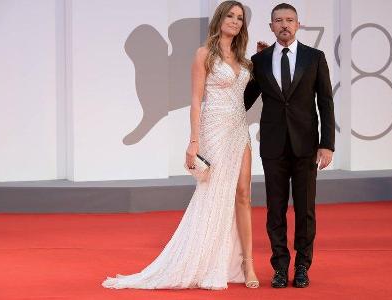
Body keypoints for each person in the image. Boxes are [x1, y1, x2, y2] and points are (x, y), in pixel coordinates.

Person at [102, 1, 259, 290]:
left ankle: (247, 264)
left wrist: (261, 59)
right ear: (220, 19)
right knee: (214, 194)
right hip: (214, 129)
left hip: (240, 129)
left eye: (240, 18)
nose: (235, 21)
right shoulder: (203, 54)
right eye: (230, 16)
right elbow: (196, 100)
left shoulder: (245, 60)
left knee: (243, 194)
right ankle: (205, 261)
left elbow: (250, 93)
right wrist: (194, 140)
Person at [244, 3, 335, 288]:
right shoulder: (259, 61)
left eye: (289, 20)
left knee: (306, 210)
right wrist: (245, 67)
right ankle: (280, 267)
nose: (284, 24)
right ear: (271, 27)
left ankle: (303, 267)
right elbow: (245, 100)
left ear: (298, 25)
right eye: (278, 21)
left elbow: (326, 103)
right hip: (273, 147)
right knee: (275, 210)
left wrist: (327, 144)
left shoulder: (315, 58)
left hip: (307, 146)